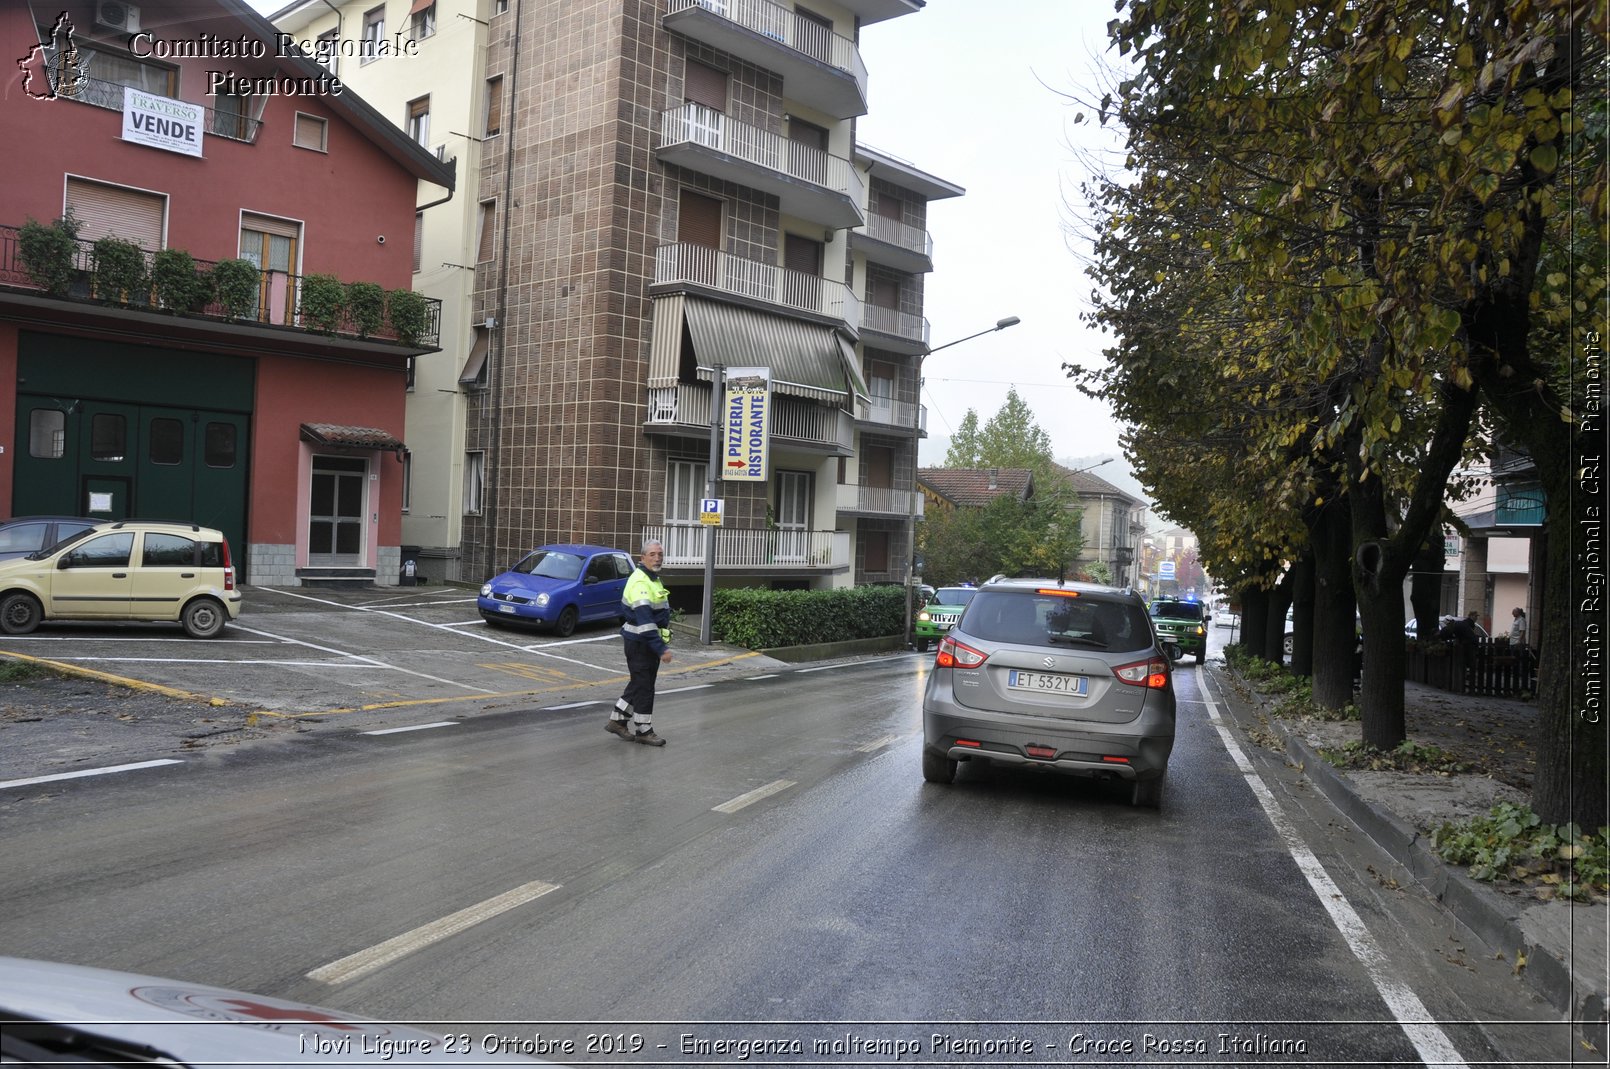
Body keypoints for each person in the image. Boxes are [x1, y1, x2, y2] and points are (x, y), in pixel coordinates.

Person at [607, 539, 673, 746]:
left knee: (639, 683)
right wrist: (661, 648)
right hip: (640, 642)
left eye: (660, 554)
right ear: (642, 557)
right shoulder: (641, 582)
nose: (657, 558)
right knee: (644, 687)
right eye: (652, 554)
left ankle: (617, 720)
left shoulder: (652, 578)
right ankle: (644, 730)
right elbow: (645, 621)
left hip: (643, 642)